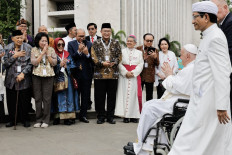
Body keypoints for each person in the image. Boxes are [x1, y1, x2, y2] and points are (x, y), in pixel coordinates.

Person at [169, 2, 232, 155]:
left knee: (193, 142)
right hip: (201, 100)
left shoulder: (216, 37)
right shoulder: (208, 36)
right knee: (199, 142)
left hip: (210, 103)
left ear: (205, 17)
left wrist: (222, 105)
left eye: (195, 17)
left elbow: (223, 72)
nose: (192, 21)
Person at [124, 44, 197, 155]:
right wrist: (171, 76)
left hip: (180, 104)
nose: (180, 58)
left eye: (181, 55)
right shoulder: (191, 67)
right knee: (149, 106)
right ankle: (146, 144)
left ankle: (141, 147)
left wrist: (169, 75)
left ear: (187, 56)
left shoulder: (191, 69)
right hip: (178, 101)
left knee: (150, 108)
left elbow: (174, 86)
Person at [91, 23, 122, 124]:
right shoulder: (96, 43)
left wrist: (115, 62)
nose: (106, 33)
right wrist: (101, 63)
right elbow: (93, 56)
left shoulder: (116, 43)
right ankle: (100, 116)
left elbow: (120, 56)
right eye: (104, 31)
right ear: (101, 32)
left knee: (111, 96)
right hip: (99, 74)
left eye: (108, 31)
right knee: (99, 96)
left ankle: (110, 117)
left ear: (111, 32)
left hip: (113, 74)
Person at [3, 30, 32, 128]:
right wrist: (15, 56)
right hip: (11, 79)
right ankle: (12, 119)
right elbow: (5, 64)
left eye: (21, 37)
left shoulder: (28, 48)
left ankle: (25, 119)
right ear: (12, 39)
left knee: (24, 100)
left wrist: (23, 73)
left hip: (24, 78)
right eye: (17, 38)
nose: (19, 39)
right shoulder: (7, 48)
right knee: (11, 100)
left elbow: (31, 63)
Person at [115, 35, 144, 123]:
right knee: (124, 95)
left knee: (134, 96)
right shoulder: (122, 51)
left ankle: (134, 116)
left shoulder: (139, 53)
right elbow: (119, 63)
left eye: (131, 41)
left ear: (135, 43)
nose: (129, 42)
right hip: (124, 77)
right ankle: (126, 116)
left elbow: (141, 64)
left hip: (134, 77)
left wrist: (134, 73)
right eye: (128, 41)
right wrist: (125, 72)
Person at [31, 32, 57, 128]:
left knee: (47, 98)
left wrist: (48, 54)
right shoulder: (34, 50)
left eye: (46, 41)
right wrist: (42, 53)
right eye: (42, 41)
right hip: (37, 75)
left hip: (49, 76)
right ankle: (38, 119)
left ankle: (46, 120)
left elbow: (54, 63)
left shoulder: (51, 49)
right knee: (38, 98)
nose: (44, 42)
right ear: (38, 41)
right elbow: (34, 62)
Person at [211, 0, 232, 116]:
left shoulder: (230, 23)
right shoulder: (224, 24)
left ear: (225, 8)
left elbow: (229, 50)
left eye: (214, 9)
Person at [68, 29, 93, 123]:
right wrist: (78, 51)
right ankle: (73, 115)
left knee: (85, 95)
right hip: (75, 74)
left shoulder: (89, 44)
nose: (82, 38)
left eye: (83, 36)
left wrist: (87, 54)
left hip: (86, 74)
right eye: (79, 36)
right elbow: (70, 58)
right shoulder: (71, 44)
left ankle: (83, 115)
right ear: (75, 35)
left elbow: (93, 60)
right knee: (75, 95)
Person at [53, 38, 79, 125]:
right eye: (59, 44)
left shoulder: (67, 54)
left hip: (68, 79)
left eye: (62, 45)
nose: (61, 46)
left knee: (69, 97)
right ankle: (57, 117)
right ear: (55, 45)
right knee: (57, 98)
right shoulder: (53, 54)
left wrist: (66, 66)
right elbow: (51, 66)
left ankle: (67, 118)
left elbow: (73, 65)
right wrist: (59, 65)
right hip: (57, 80)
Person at [136, 33, 159, 101]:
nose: (149, 42)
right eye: (147, 40)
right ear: (144, 40)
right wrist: (143, 58)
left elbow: (157, 64)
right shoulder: (137, 49)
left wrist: (155, 57)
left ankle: (147, 110)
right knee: (137, 95)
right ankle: (137, 110)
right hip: (140, 75)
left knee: (149, 96)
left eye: (151, 41)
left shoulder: (155, 50)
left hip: (150, 77)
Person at [85, 23, 101, 110]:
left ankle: (98, 104)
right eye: (89, 29)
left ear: (96, 29)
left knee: (98, 87)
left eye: (92, 29)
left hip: (98, 66)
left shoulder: (100, 39)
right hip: (88, 66)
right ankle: (88, 103)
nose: (91, 31)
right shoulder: (85, 39)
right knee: (87, 86)